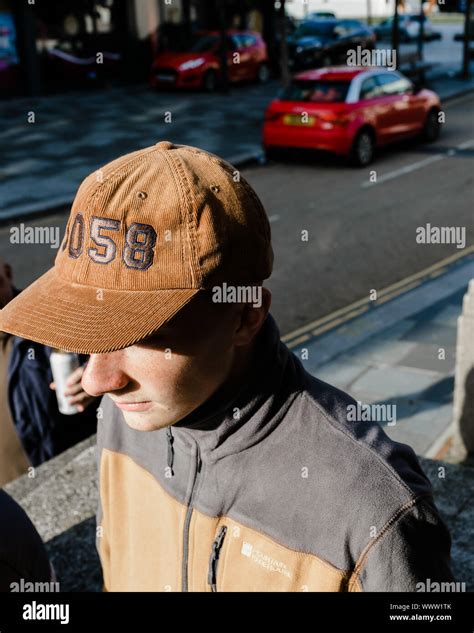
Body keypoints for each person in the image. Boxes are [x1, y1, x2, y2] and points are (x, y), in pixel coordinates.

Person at [0, 141, 454, 591]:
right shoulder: (123, 417)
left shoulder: (373, 511)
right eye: (88, 332)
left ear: (245, 315)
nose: (98, 381)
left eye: (139, 337)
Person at [0, 257, 97, 480]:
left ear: (6, 271)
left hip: (57, 481)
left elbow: (111, 358)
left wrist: (94, 382)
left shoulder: (52, 319)